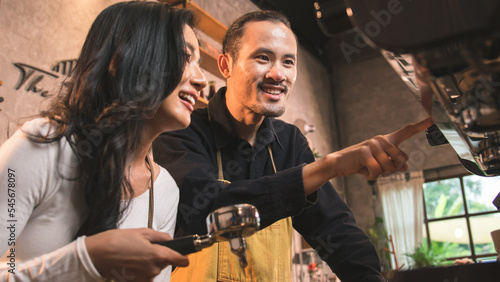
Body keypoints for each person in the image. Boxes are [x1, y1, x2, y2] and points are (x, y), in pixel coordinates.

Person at [152, 10, 433, 282]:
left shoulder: (289, 142)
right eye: (263, 58)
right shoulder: (181, 131)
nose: (278, 74)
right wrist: (330, 166)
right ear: (225, 65)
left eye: (288, 62)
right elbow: (209, 209)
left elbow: (333, 227)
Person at [0, 1, 207, 281]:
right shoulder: (43, 146)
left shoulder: (166, 190)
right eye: (185, 57)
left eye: (199, 64)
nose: (202, 80)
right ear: (135, 59)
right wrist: (84, 260)